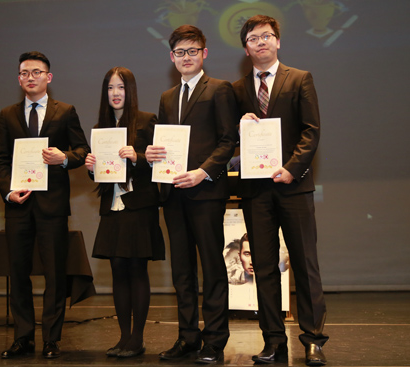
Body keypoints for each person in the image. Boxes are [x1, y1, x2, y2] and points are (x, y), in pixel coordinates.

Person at [233, 15, 328, 366]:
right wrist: (238, 126)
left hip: (295, 187)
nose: (261, 42)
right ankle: (273, 340)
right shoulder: (237, 89)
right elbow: (229, 138)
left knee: (305, 263)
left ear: (278, 42)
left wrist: (291, 169)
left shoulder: (300, 79)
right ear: (246, 48)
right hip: (255, 192)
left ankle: (314, 339)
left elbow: (311, 131)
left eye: (267, 36)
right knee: (264, 267)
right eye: (254, 38)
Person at [145, 25, 239, 364]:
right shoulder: (167, 97)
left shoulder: (220, 90)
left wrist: (203, 171)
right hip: (173, 194)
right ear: (172, 57)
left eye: (193, 51)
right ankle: (187, 337)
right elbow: (168, 141)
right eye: (180, 52)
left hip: (207, 192)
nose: (187, 57)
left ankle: (215, 340)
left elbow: (229, 140)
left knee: (213, 267)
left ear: (204, 53)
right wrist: (154, 153)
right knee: (182, 270)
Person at [0, 51, 89, 359]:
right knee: (18, 273)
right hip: (18, 206)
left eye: (37, 72)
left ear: (48, 77)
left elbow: (81, 151)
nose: (30, 77)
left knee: (54, 274)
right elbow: (1, 160)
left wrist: (64, 159)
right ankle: (23, 337)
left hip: (52, 206)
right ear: (19, 78)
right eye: (24, 73)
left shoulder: (65, 111)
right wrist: (9, 191)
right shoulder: (8, 114)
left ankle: (51, 338)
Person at [85, 66, 165, 358]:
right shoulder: (100, 128)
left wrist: (138, 156)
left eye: (120, 88)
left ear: (129, 91)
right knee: (117, 267)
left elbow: (161, 162)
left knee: (135, 268)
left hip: (139, 205)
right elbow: (101, 176)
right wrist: (93, 169)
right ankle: (123, 337)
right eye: (110, 88)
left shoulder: (146, 121)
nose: (115, 94)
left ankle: (138, 338)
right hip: (113, 205)